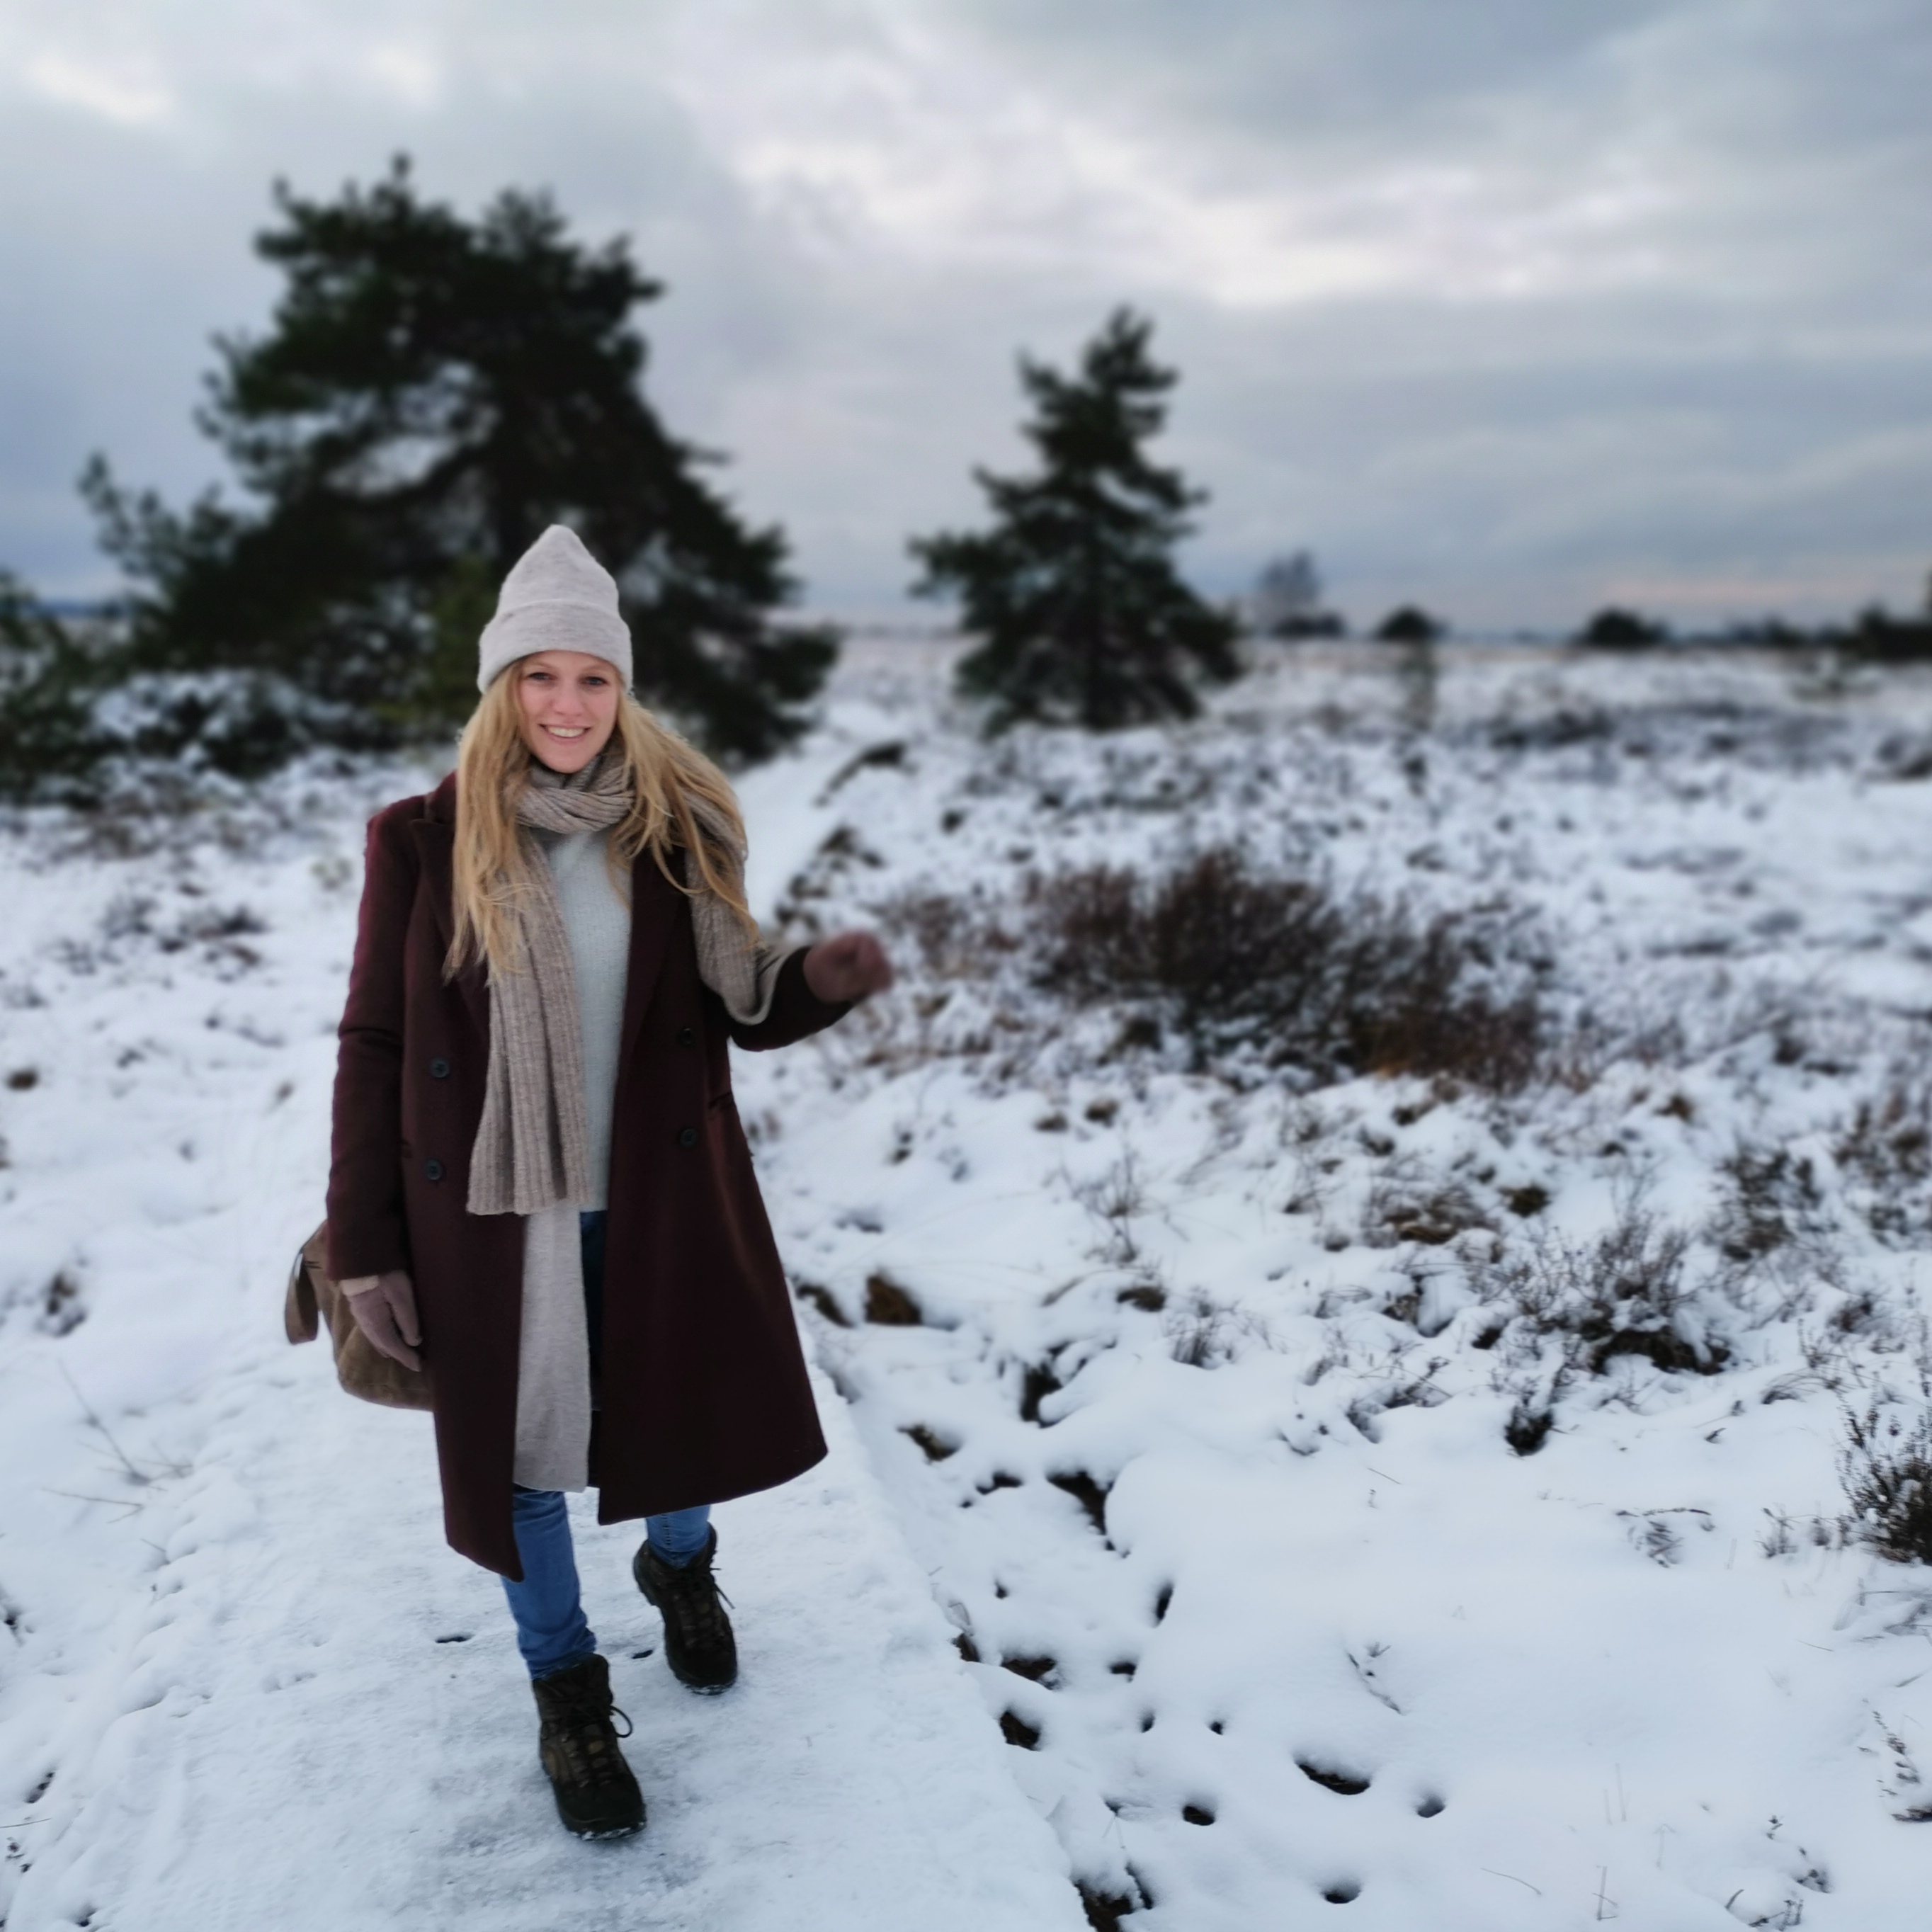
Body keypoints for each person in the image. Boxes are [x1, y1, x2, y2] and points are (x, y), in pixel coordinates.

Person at [325, 525, 892, 1839]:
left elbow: (742, 1005)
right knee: (521, 1463)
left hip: (649, 1202)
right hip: (488, 1217)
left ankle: (682, 1569)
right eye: (539, 677)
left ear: (622, 691)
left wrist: (827, 976)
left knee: (660, 1417)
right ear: (499, 688)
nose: (566, 705)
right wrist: (364, 1237)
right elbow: (375, 1039)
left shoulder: (674, 830)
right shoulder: (423, 841)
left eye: (592, 678)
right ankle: (566, 1687)